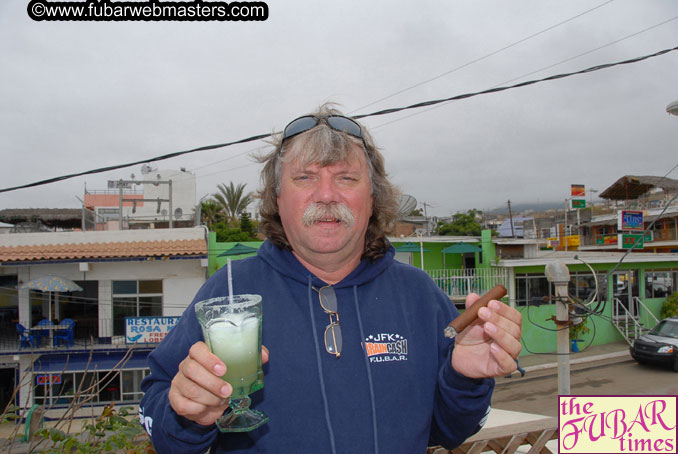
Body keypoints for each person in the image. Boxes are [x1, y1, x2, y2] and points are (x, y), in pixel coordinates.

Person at [139, 104, 523, 453]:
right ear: (277, 198)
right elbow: (159, 413)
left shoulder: (419, 295)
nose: (325, 195)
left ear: (372, 197)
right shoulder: (230, 290)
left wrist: (465, 378)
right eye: (305, 178)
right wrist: (186, 411)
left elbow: (448, 431)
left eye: (346, 178)